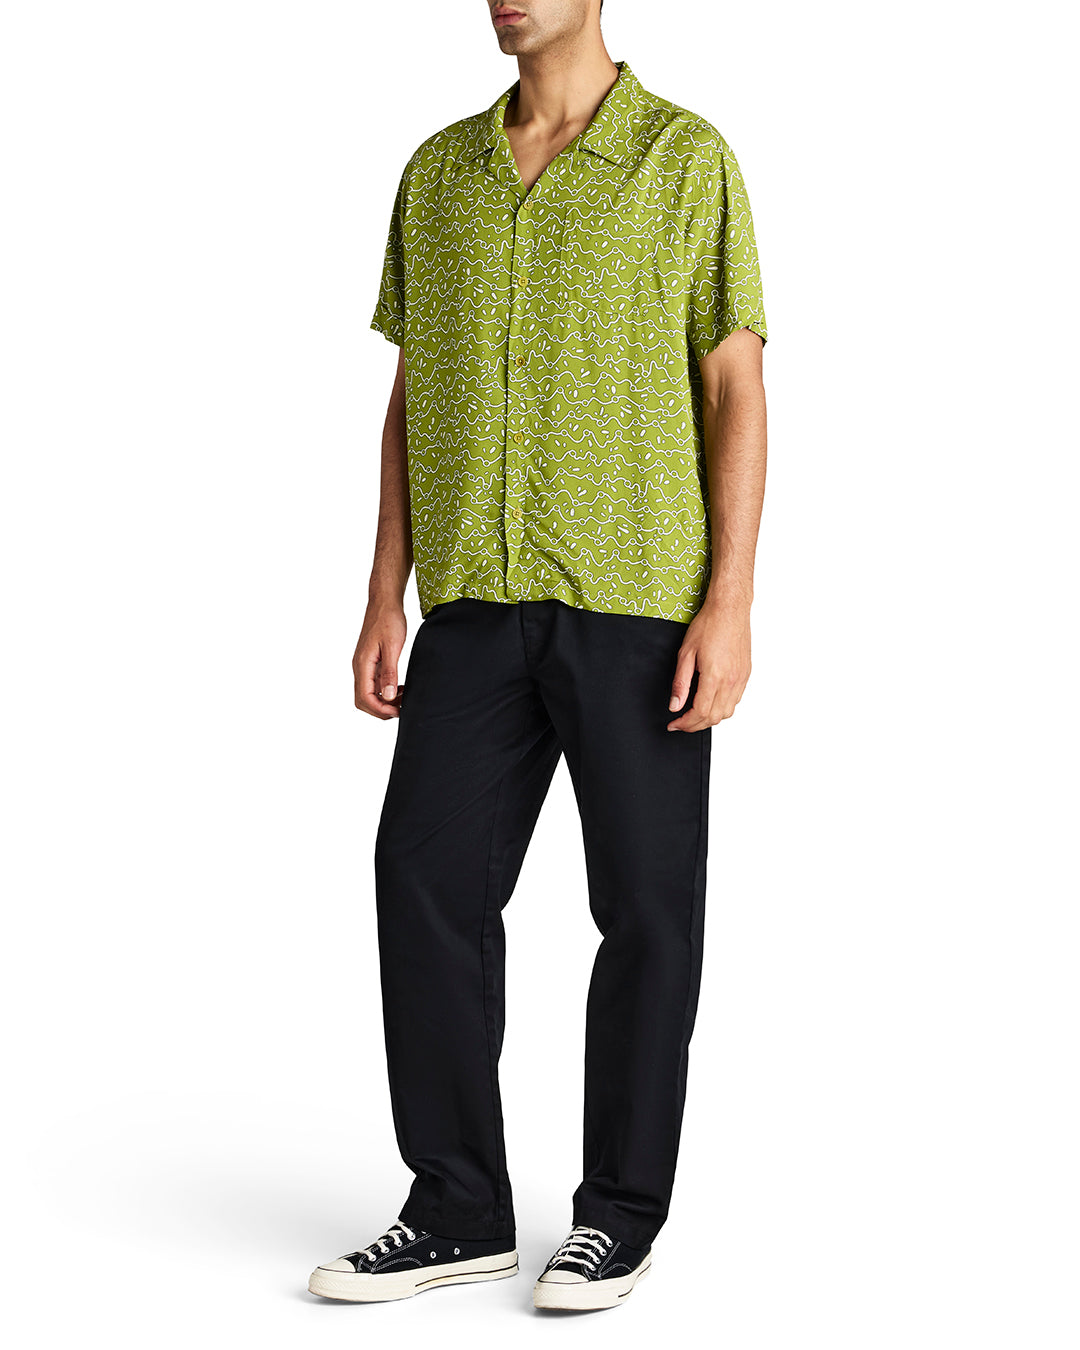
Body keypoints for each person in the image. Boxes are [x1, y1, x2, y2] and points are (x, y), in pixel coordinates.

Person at [308, 0, 768, 1312]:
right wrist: (383, 592)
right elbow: (413, 396)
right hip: (470, 603)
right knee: (422, 880)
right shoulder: (439, 172)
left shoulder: (685, 159)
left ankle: (618, 1213)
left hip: (637, 600)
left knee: (646, 910)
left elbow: (734, 387)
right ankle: (456, 1205)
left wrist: (730, 604)